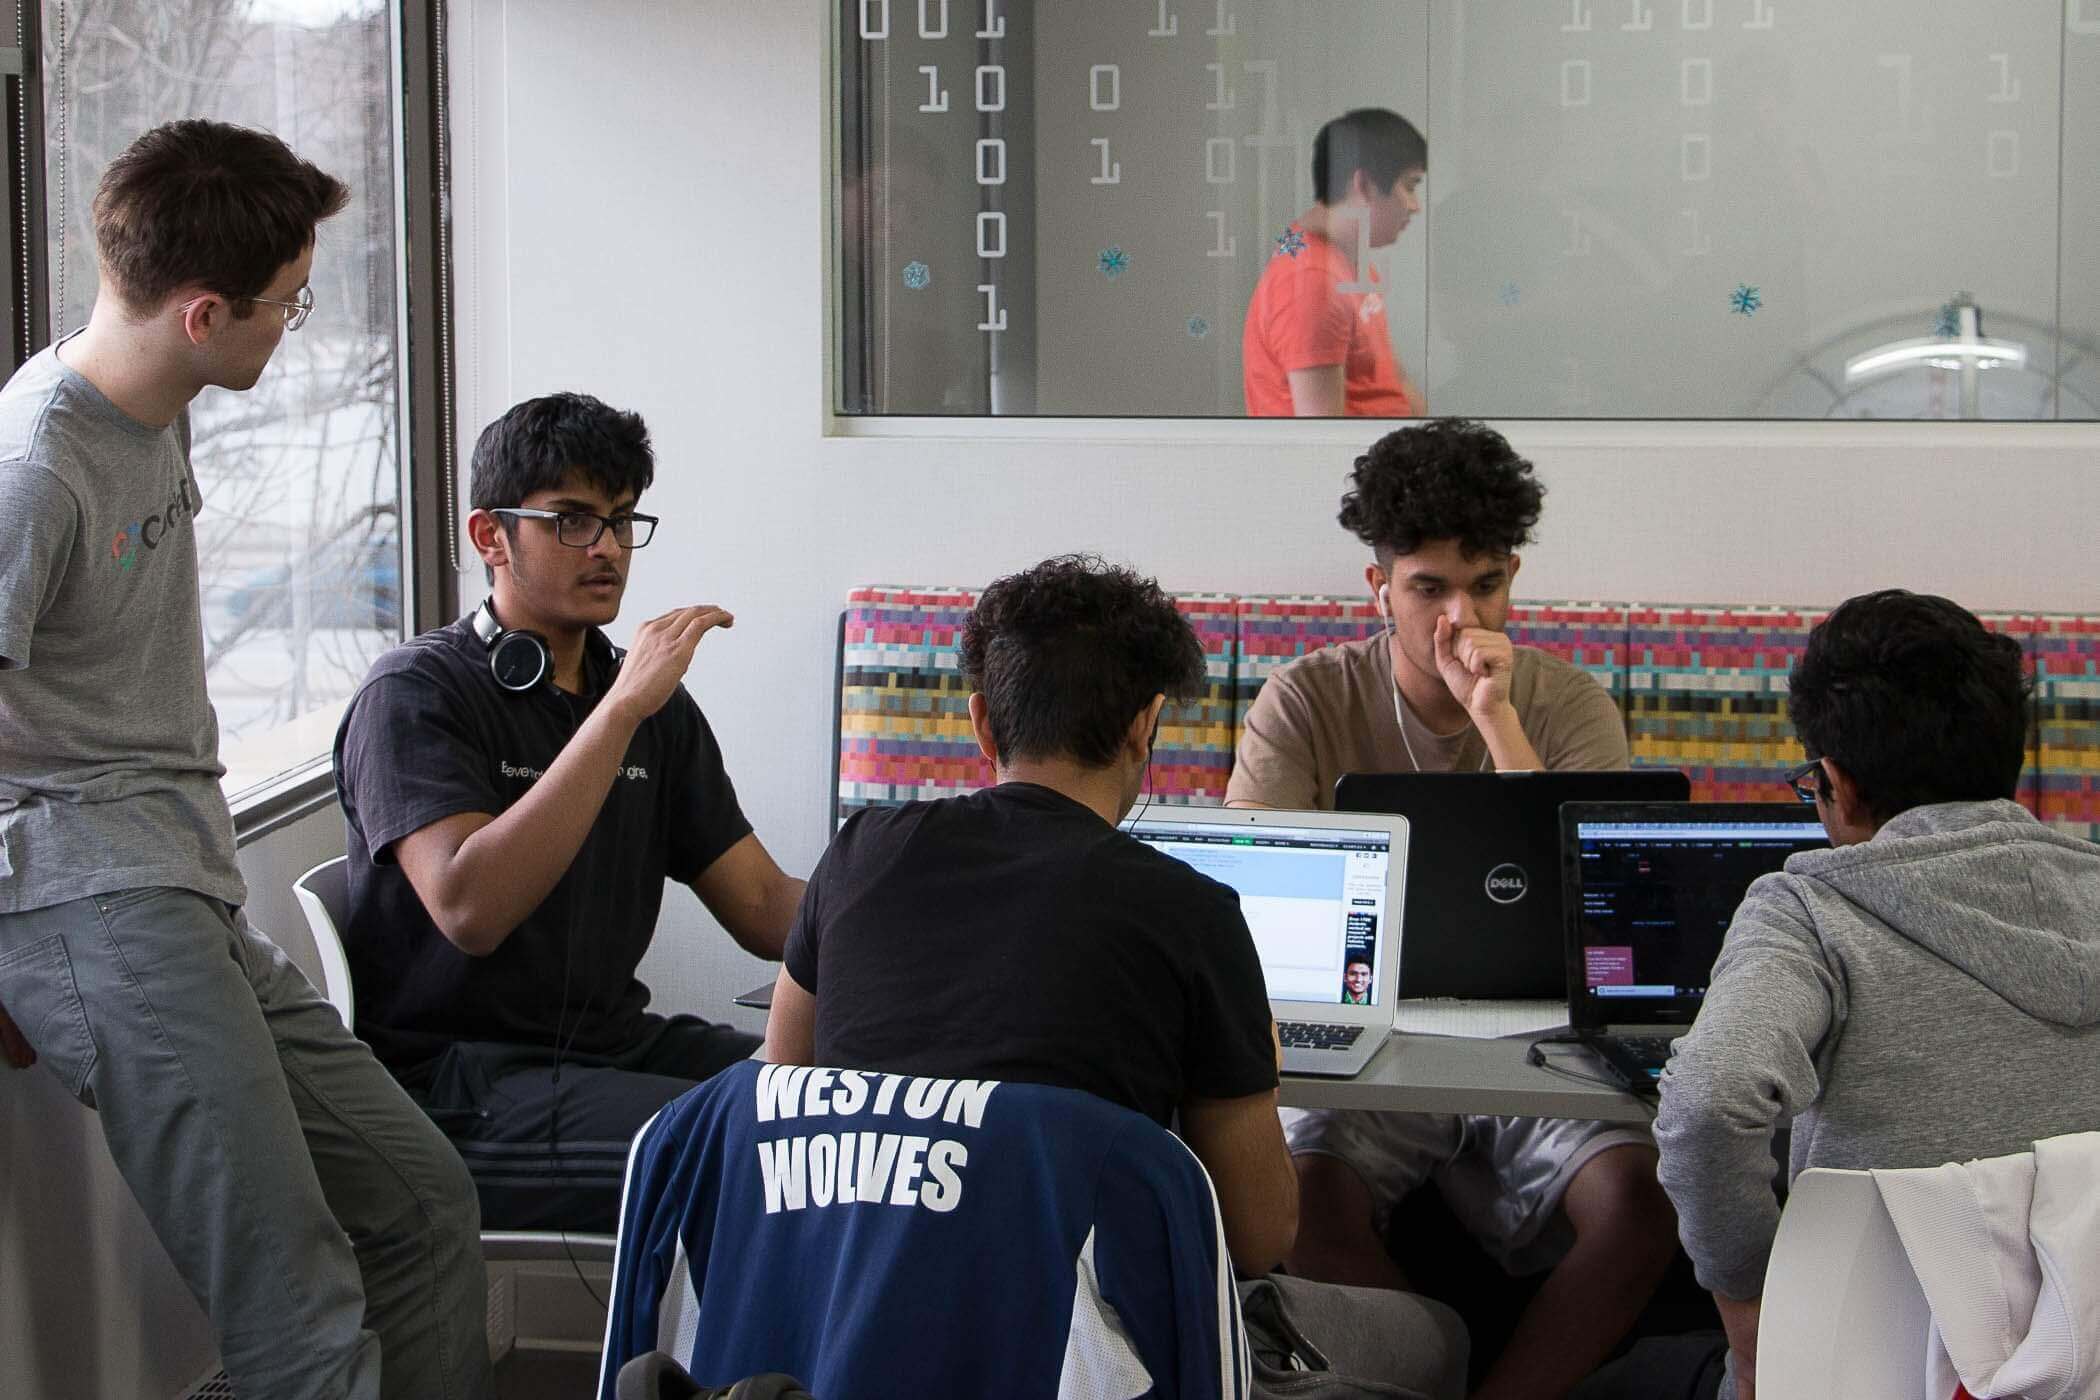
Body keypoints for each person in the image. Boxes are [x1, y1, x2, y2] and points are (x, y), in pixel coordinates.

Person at [0, 120, 487, 1400]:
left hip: (180, 875)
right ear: (204, 313)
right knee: (297, 1306)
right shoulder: (35, 468)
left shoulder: (151, 408)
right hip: (94, 900)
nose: (299, 326)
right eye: (287, 304)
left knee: (424, 1201)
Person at [1228, 420, 1676, 1400]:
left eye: (1485, 586)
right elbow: (1250, 900)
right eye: (1429, 587)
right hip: (1370, 1034)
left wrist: (1495, 719)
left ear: (1513, 576)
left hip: (1543, 1033)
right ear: (1377, 586)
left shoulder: (1568, 703)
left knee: (1642, 1209)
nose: (1458, 618)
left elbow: (1605, 915)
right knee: (1303, 1199)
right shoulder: (1304, 700)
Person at [333, 392, 804, 1234]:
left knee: (847, 1103)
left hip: (612, 1048)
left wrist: (916, 906)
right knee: (761, 1151)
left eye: (623, 522)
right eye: (574, 522)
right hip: (459, 1088)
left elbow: (766, 909)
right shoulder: (414, 693)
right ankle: (701, 1373)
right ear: (491, 536)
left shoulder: (643, 701)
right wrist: (616, 714)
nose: (610, 549)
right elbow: (469, 907)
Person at [1651, 591, 2100, 1400]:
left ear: (1837, 786)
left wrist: (1755, 1313)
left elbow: (1709, 1103)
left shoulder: (1812, 912)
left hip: (1857, 1368)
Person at [1243, 107, 1427, 418]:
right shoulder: (1311, 283)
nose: (1415, 206)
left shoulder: (1344, 254)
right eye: (1409, 186)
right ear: (1364, 185)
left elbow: (1388, 374)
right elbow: (1323, 437)